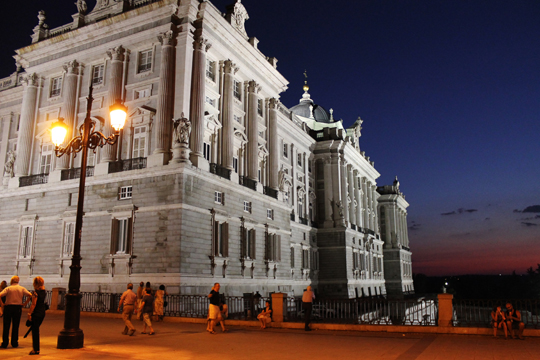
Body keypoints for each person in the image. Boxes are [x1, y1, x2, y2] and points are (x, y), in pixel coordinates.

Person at [0, 276, 32, 348]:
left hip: (8, 307)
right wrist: (25, 303)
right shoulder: (22, 288)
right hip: (17, 308)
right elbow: (30, 295)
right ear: (18, 281)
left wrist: (2, 304)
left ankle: (5, 342)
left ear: (11, 281)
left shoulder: (8, 288)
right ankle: (14, 342)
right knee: (16, 325)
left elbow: (0, 295)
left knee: (6, 326)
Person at [26, 277, 47, 355]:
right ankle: (36, 348)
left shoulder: (36, 293)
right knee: (36, 330)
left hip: (36, 312)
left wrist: (29, 314)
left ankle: (36, 349)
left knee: (35, 331)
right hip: (42, 312)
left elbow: (33, 304)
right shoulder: (43, 291)